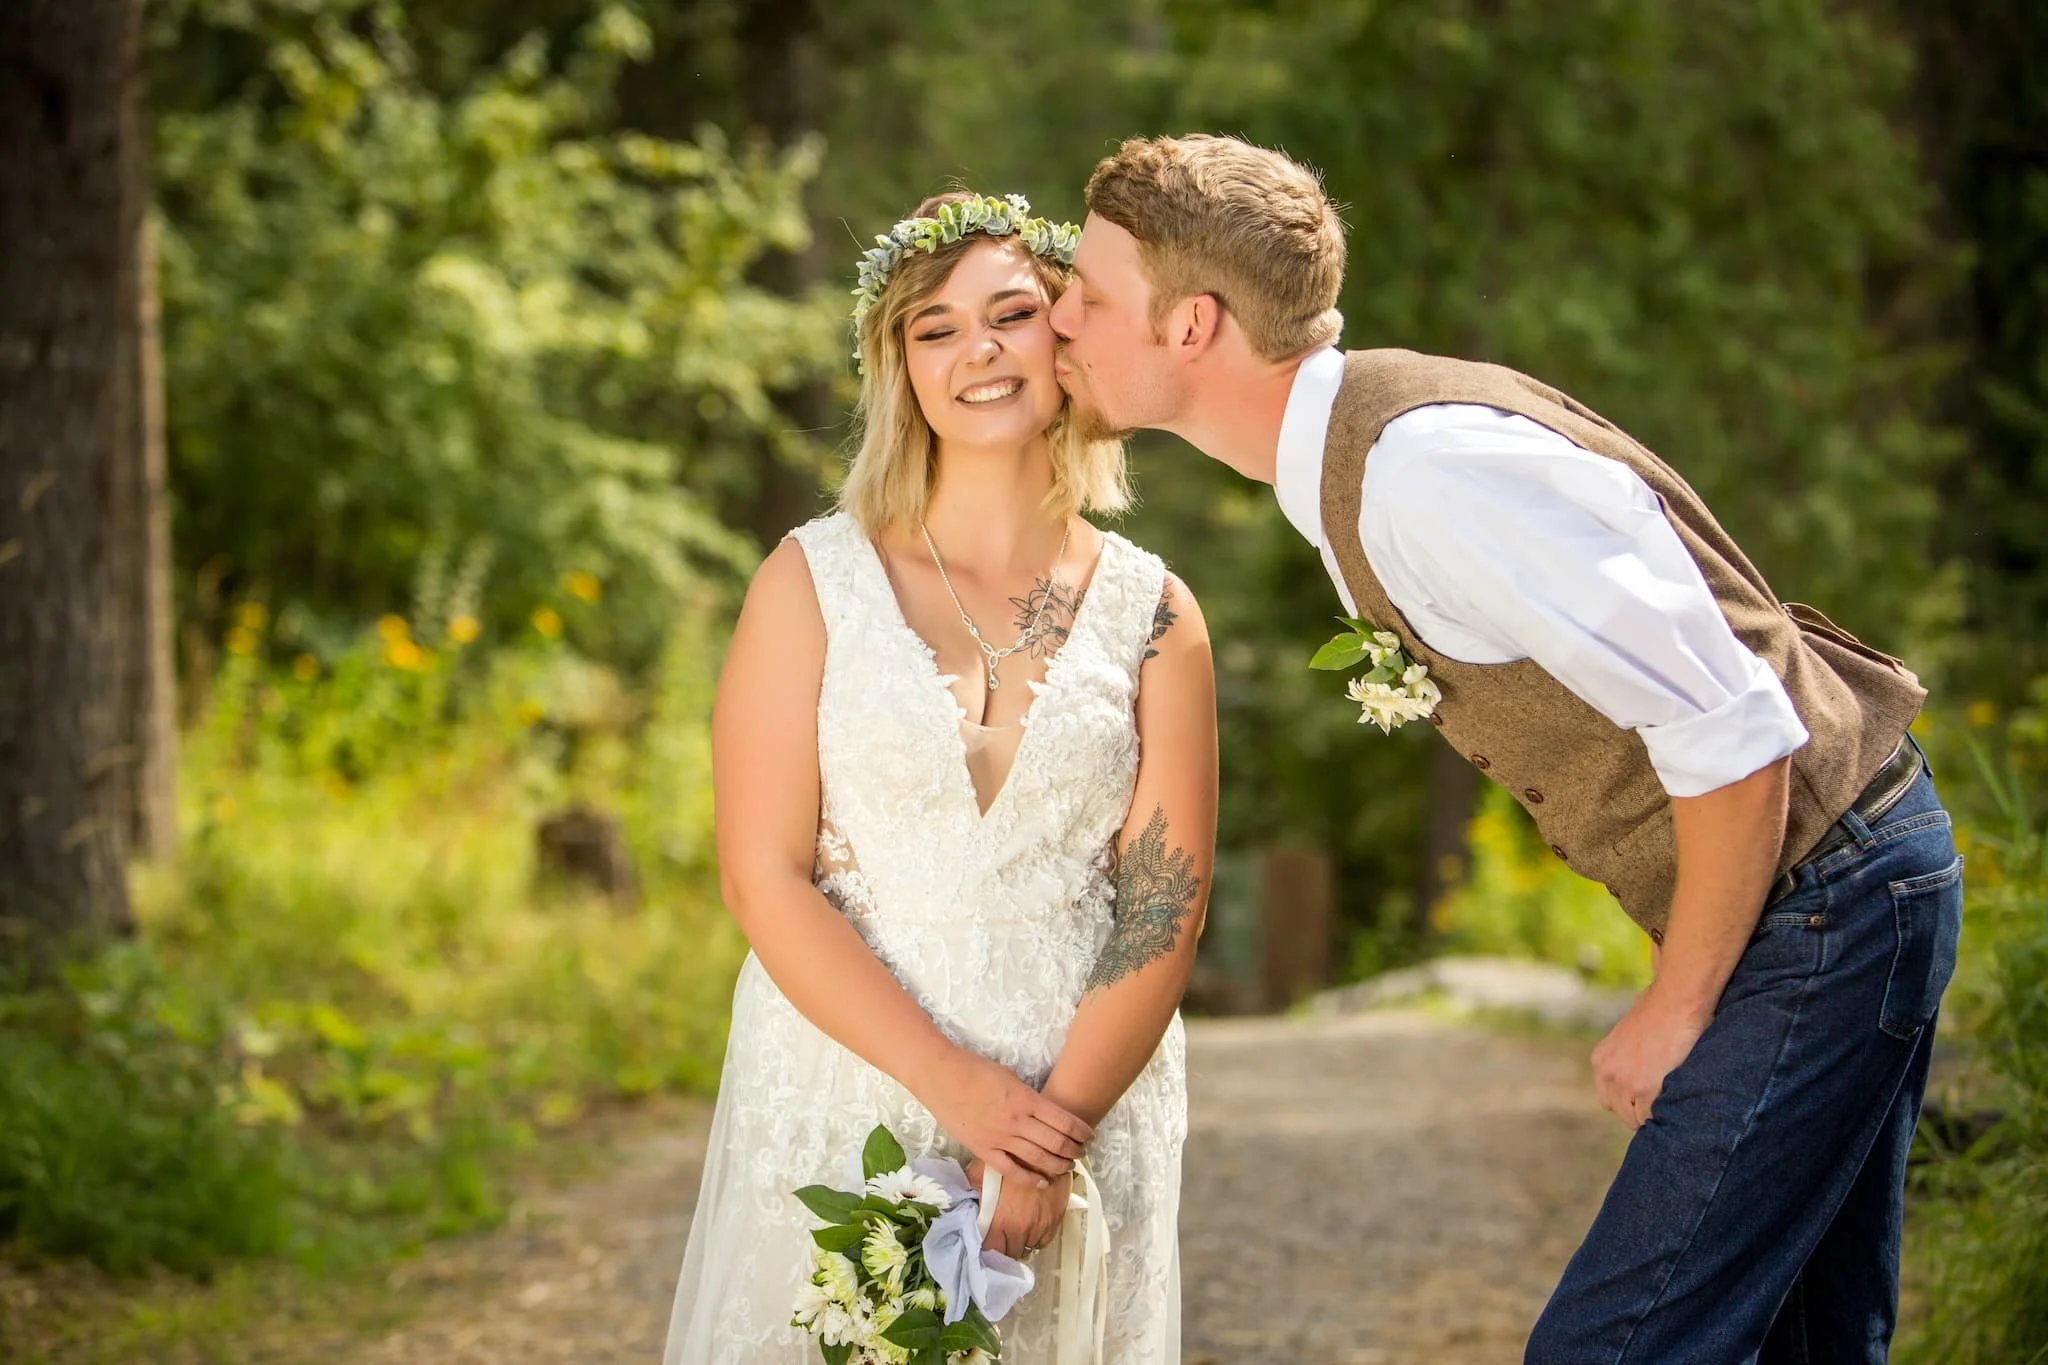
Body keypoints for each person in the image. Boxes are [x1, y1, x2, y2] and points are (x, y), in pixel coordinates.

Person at [1048, 133, 1962, 1364]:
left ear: (1191, 327)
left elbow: (1734, 725)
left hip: (1833, 890)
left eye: (1090, 296)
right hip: (1825, 877)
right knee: (1806, 1343)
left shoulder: (1426, 472)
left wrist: (1676, 1007)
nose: (1060, 315)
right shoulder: (1345, 456)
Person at [662, 190, 1216, 1363]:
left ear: (1064, 337)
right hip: (841, 1081)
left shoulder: (1156, 613)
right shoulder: (808, 584)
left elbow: (1162, 907)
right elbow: (765, 877)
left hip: (1075, 1113)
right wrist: (958, 1094)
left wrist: (1040, 1139)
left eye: (1010, 314)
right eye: (934, 328)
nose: (977, 352)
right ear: (898, 365)